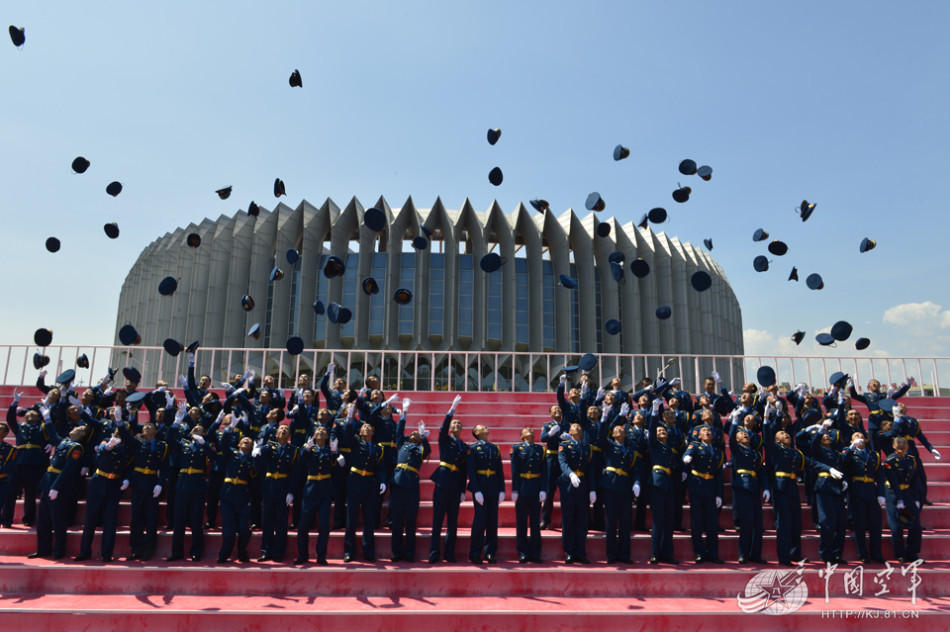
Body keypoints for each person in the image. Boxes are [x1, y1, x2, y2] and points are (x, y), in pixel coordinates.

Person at [30, 423, 88, 559]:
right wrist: (47, 419)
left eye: (77, 430)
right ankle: (42, 549)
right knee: (43, 519)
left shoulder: (76, 448)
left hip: (60, 486)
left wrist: (56, 487)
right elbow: (52, 434)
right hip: (48, 482)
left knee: (58, 520)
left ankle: (59, 550)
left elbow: (68, 470)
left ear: (80, 435)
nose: (73, 430)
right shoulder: (64, 442)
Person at [339, 404, 386, 562]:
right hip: (355, 480)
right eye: (364, 427)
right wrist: (350, 418)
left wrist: (382, 481)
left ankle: (368, 551)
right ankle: (348, 551)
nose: (366, 429)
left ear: (373, 432)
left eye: (369, 427)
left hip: (370, 483)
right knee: (351, 518)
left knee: (369, 519)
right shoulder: (355, 442)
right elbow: (346, 433)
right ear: (360, 431)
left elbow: (380, 467)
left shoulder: (378, 449)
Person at [74, 425, 129, 562]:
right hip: (99, 481)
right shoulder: (106, 441)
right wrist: (110, 445)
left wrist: (128, 479)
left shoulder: (127, 447)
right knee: (90, 519)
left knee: (110, 522)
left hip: (114, 483)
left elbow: (129, 465)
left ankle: (106, 553)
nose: (118, 436)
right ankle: (84, 551)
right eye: (116, 433)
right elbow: (100, 450)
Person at [390, 399, 431, 562]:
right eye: (412, 433)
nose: (413, 434)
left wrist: (424, 437)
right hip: (398, 481)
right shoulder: (402, 444)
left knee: (411, 521)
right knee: (397, 521)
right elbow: (399, 432)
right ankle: (396, 552)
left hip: (412, 484)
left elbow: (428, 450)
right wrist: (404, 413)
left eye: (416, 434)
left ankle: (409, 553)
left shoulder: (420, 448)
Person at [168, 422, 215, 562]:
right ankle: (177, 552)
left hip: (197, 485)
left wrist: (204, 444)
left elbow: (214, 457)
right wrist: (175, 423)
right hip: (182, 484)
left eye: (200, 430)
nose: (197, 430)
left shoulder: (205, 447)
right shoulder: (183, 444)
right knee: (179, 521)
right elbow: (170, 439)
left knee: (196, 520)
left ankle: (196, 551)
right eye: (195, 429)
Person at [254, 425, 301, 562]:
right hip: (269, 486)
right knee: (267, 520)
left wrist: (291, 492)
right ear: (276, 434)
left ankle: (279, 552)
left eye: (286, 429)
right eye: (281, 429)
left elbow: (295, 473)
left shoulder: (294, 451)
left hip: (283, 487)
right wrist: (258, 451)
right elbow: (261, 460)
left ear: (289, 435)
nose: (283, 430)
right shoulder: (270, 447)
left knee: (281, 522)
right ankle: (266, 551)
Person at [124, 420, 169, 561]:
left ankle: (148, 550)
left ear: (156, 431)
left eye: (150, 426)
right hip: (138, 482)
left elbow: (164, 466)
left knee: (151, 518)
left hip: (151, 482)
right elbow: (126, 438)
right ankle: (135, 549)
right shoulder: (138, 442)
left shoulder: (162, 446)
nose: (147, 428)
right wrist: (119, 422)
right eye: (144, 427)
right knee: (136, 518)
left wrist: (160, 483)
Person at [428, 395, 465, 563]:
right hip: (442, 482)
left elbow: (464, 469)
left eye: (459, 424)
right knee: (437, 521)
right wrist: (451, 410)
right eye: (454, 423)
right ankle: (434, 553)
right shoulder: (445, 439)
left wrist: (463, 490)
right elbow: (442, 429)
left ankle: (449, 553)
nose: (456, 425)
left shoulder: (464, 446)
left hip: (456, 484)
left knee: (452, 522)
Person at [6, 390, 51, 526]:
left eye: (34, 413)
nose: (31, 414)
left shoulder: (42, 428)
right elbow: (10, 419)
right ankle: (6, 519)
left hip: (34, 464)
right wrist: (14, 403)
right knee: (11, 493)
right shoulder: (20, 427)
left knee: (30, 494)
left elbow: (52, 429)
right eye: (28, 413)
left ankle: (28, 519)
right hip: (18, 463)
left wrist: (46, 408)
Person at [216, 415, 257, 563]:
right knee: (228, 531)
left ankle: (242, 552)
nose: (246, 441)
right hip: (228, 494)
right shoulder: (231, 454)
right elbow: (223, 444)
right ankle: (224, 555)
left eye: (249, 441)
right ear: (239, 444)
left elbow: (254, 475)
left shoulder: (252, 459)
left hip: (243, 495)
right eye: (244, 440)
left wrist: (253, 459)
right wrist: (229, 429)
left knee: (245, 530)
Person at [296, 425, 339, 565]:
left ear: (326, 436)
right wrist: (307, 448)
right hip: (310, 489)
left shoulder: (330, 449)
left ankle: (321, 556)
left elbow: (335, 464)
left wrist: (335, 452)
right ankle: (303, 555)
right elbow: (302, 460)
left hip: (325, 490)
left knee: (324, 525)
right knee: (303, 525)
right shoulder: (309, 448)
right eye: (318, 431)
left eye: (323, 431)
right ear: (314, 435)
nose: (320, 432)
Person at [840, 431, 885, 563]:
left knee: (875, 524)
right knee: (859, 524)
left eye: (861, 436)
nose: (859, 437)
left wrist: (881, 494)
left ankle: (876, 553)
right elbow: (842, 462)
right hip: (856, 489)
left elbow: (880, 476)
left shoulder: (873, 454)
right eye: (855, 436)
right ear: (851, 440)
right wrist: (851, 447)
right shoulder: (848, 452)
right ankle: (863, 554)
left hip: (871, 489)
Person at [683, 426, 724, 564]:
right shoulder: (695, 445)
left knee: (712, 523)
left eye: (709, 431)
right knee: (697, 521)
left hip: (711, 487)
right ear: (699, 436)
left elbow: (718, 475)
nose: (707, 433)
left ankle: (713, 553)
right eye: (704, 431)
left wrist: (719, 494)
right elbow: (687, 454)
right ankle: (699, 552)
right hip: (697, 485)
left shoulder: (718, 452)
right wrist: (686, 458)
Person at [807, 429, 847, 563]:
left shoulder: (836, 453)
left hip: (837, 488)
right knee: (827, 522)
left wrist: (844, 480)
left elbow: (842, 467)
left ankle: (837, 554)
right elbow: (813, 447)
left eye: (828, 436)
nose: (827, 437)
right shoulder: (818, 451)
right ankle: (826, 554)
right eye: (824, 436)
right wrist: (819, 431)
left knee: (840, 524)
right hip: (824, 486)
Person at [467, 423, 506, 564]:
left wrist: (502, 489)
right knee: (480, 521)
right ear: (476, 433)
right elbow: (471, 471)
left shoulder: (495, 448)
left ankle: (490, 552)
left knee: (492, 521)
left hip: (493, 487)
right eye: (481, 427)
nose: (485, 428)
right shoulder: (473, 448)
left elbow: (500, 470)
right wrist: (476, 490)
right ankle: (475, 553)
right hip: (481, 488)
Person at [557, 422, 594, 564]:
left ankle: (580, 552)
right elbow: (563, 463)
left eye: (580, 426)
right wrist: (571, 475)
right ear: (570, 432)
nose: (578, 428)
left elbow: (590, 470)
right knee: (568, 519)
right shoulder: (564, 446)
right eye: (574, 427)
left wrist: (592, 489)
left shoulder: (586, 447)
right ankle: (569, 552)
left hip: (583, 485)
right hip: (568, 485)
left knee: (582, 520)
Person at [598, 421, 634, 564]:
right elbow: (601, 436)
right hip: (611, 485)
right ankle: (612, 554)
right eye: (617, 429)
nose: (620, 430)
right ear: (612, 434)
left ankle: (624, 554)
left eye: (622, 429)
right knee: (611, 522)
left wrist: (636, 482)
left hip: (625, 486)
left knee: (625, 522)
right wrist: (604, 419)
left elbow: (634, 469)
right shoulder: (609, 445)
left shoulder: (629, 450)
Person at [767, 430, 805, 566]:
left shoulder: (795, 452)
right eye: (782, 434)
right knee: (783, 523)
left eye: (787, 433)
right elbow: (767, 436)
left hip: (792, 487)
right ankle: (784, 556)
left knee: (796, 522)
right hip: (780, 487)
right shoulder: (776, 449)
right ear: (777, 440)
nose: (786, 434)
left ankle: (795, 554)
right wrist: (768, 420)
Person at [883, 437, 924, 563]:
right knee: (896, 527)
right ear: (894, 447)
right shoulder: (890, 461)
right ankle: (900, 554)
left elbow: (915, 479)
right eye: (899, 449)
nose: (901, 451)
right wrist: (899, 500)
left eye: (904, 449)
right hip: (893, 494)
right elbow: (894, 482)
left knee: (916, 526)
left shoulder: (911, 459)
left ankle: (912, 553)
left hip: (907, 493)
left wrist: (917, 498)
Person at [646, 409, 678, 564]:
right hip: (657, 483)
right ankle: (655, 553)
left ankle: (668, 554)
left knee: (668, 521)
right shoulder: (654, 444)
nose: (662, 431)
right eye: (659, 430)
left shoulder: (669, 447)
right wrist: (654, 413)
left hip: (668, 484)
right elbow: (652, 430)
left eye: (663, 430)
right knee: (658, 521)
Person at [892, 402, 940, 505]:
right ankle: (907, 497)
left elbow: (921, 436)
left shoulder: (913, 420)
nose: (902, 406)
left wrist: (931, 449)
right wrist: (896, 419)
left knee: (921, 475)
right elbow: (893, 432)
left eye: (903, 405)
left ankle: (922, 497)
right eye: (899, 405)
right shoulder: (895, 420)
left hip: (912, 448)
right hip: (901, 447)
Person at [510, 426, 546, 563]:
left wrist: (543, 489)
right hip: (523, 487)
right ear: (522, 435)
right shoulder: (516, 448)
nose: (530, 430)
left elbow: (544, 471)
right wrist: (515, 490)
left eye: (531, 429)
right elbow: (514, 471)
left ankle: (535, 553)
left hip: (536, 487)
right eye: (526, 430)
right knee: (522, 522)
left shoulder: (540, 449)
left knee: (535, 523)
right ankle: (523, 552)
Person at [730, 428, 766, 564]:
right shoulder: (737, 449)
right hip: (742, 487)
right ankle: (743, 554)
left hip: (755, 487)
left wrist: (766, 488)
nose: (745, 434)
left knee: (758, 524)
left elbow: (761, 472)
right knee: (746, 523)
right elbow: (732, 440)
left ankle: (756, 554)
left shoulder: (756, 454)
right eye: (741, 434)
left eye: (746, 434)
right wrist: (734, 422)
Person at [849, 376, 912, 450]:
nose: (874, 384)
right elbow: (854, 395)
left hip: (884, 422)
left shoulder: (885, 395)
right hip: (873, 423)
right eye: (872, 383)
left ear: (879, 386)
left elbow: (898, 394)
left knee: (888, 444)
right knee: (874, 446)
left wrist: (907, 385)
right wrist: (852, 385)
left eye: (876, 382)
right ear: (869, 387)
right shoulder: (867, 396)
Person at [539, 404, 565, 530]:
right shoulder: (547, 425)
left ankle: (567, 519)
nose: (557, 411)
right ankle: (545, 519)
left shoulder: (566, 424)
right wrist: (550, 433)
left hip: (564, 459)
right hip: (552, 459)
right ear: (550, 413)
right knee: (549, 491)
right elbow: (542, 438)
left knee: (566, 491)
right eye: (554, 410)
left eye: (559, 409)